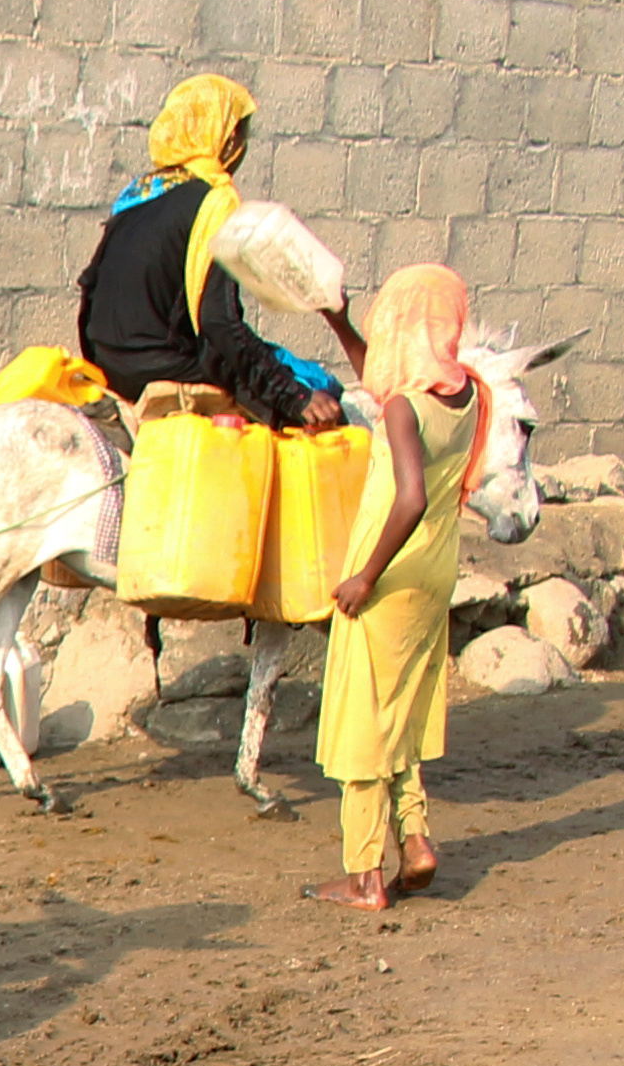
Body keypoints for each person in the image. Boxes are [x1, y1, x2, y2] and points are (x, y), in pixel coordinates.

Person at [313, 265, 484, 912]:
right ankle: (415, 841)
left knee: (364, 720)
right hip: (436, 572)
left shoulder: (407, 409)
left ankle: (363, 877)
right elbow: (385, 384)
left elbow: (408, 497)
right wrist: (337, 320)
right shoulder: (467, 396)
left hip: (393, 575)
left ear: (403, 324)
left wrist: (365, 575)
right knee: (403, 712)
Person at [76, 73, 358, 426]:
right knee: (322, 387)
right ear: (223, 137)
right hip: (166, 365)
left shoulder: (140, 196)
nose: (242, 144)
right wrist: (294, 396)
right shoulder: (214, 200)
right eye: (240, 132)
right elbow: (218, 322)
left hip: (109, 364)